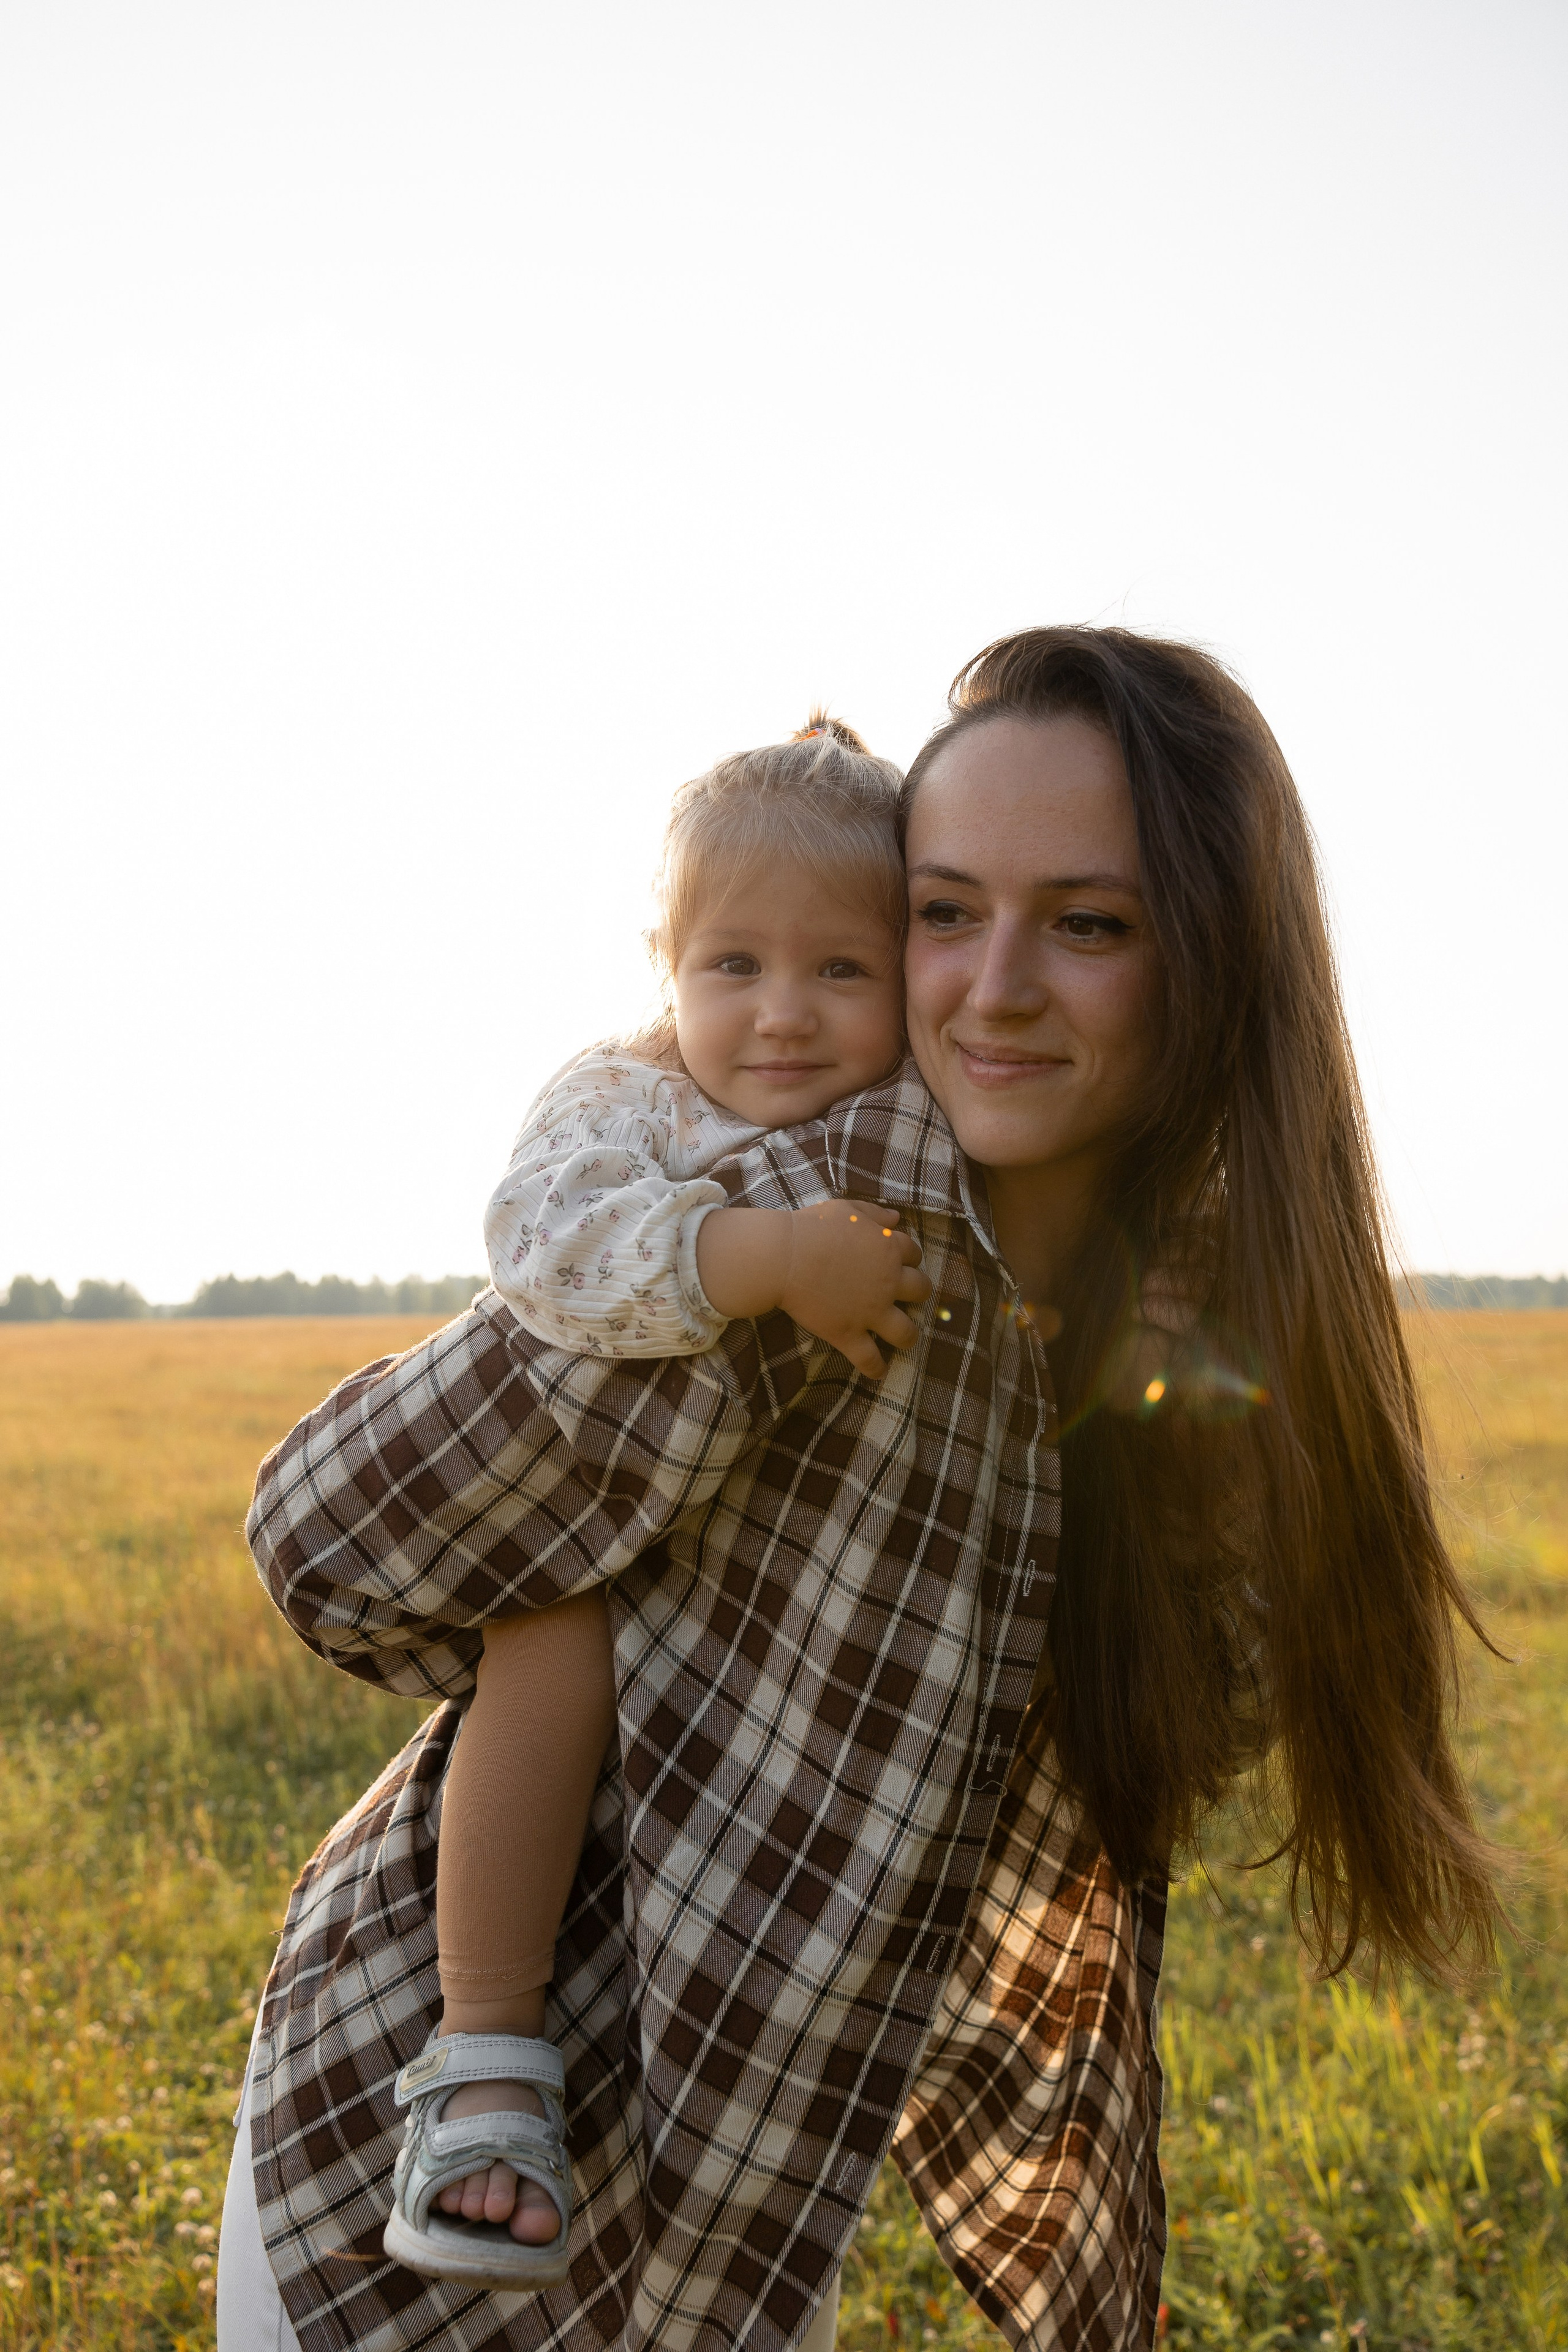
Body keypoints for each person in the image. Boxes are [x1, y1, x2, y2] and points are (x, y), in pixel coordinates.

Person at [223, 627, 1496, 2352]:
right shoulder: (809, 1208)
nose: (994, 987)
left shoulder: (1187, 1320)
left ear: (1218, 963)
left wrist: (1169, 1440)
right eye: (946, 911)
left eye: (1093, 923)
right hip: (420, 2139)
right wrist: (731, 1301)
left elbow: (1169, 1743)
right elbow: (327, 1533)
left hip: (744, 2207)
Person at [406, 716, 932, 2285]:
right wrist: (759, 1260)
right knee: (548, 1651)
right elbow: (546, 1239)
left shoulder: (911, 1114)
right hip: (597, 1523)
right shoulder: (629, 1098)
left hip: (795, 1595)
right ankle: (484, 2050)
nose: (781, 1016)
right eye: (732, 968)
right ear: (666, 967)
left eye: (841, 971)